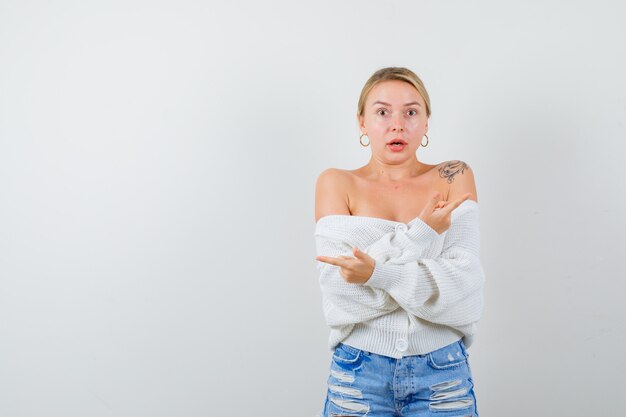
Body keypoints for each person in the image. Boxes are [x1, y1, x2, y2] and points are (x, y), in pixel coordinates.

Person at [313, 67, 485, 417]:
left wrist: (375, 274)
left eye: (411, 112)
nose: (397, 124)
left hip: (443, 375)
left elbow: (463, 288)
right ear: (362, 122)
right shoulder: (336, 183)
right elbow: (338, 288)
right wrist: (423, 231)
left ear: (425, 122)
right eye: (382, 112)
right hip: (357, 373)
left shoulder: (454, 175)